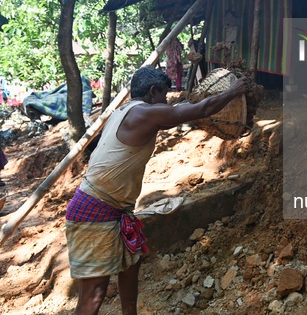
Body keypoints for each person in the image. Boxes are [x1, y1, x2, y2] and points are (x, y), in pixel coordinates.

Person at [65, 65, 247, 315]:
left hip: (108, 207)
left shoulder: (123, 111)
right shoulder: (144, 114)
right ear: (152, 92)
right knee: (94, 295)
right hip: (96, 210)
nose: (166, 102)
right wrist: (233, 91)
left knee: (131, 265)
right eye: (164, 96)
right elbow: (202, 110)